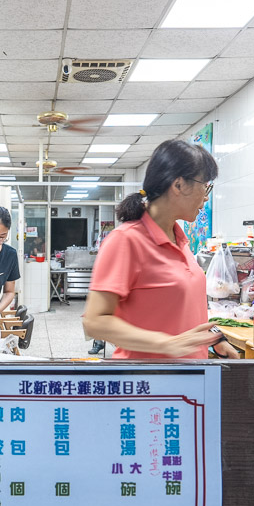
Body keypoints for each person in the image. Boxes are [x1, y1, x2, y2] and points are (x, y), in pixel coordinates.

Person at [83, 139, 240, 360]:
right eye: (205, 186)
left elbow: (182, 311)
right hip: (148, 383)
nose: (206, 197)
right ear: (178, 185)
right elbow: (94, 321)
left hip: (189, 381)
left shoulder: (180, 241)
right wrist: (166, 344)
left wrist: (214, 338)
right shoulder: (126, 240)